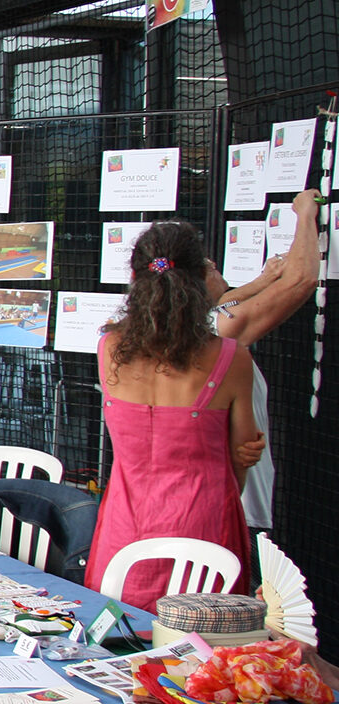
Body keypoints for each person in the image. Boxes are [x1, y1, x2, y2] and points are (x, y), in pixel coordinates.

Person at [85, 222, 258, 610]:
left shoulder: (110, 349)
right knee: (200, 657)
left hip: (124, 534)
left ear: (133, 278)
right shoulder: (231, 359)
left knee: (117, 643)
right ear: (201, 281)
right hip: (205, 537)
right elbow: (243, 454)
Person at [209, 189, 320, 541]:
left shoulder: (172, 326)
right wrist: (304, 215)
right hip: (237, 508)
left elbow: (227, 301)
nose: (218, 270)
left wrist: (263, 280)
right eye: (211, 268)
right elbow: (301, 280)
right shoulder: (217, 330)